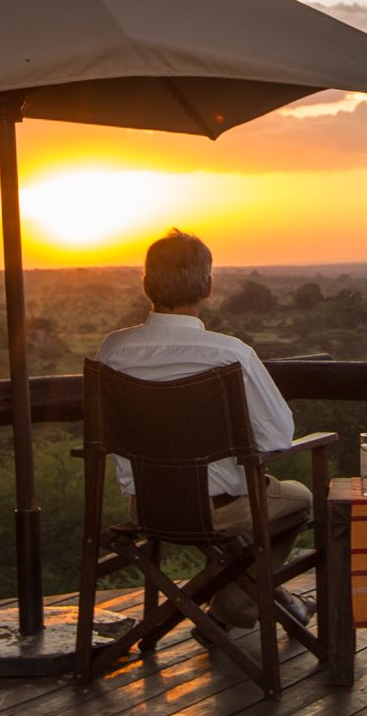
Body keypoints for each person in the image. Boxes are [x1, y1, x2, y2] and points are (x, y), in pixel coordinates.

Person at [95, 229, 310, 628]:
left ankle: (227, 603)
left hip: (147, 508)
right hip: (222, 511)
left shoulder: (113, 351)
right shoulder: (230, 354)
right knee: (298, 499)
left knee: (248, 515)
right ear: (208, 287)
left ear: (146, 286)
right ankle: (237, 605)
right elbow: (277, 437)